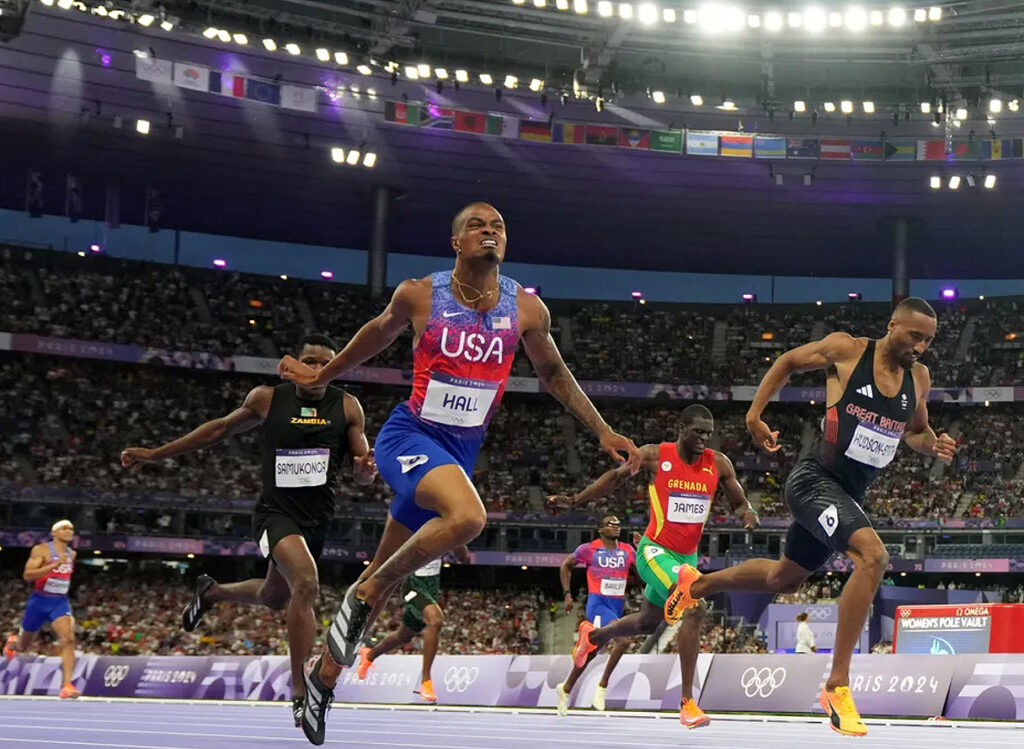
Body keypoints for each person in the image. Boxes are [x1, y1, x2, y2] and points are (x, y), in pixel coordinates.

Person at [279, 202, 640, 745]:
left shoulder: (526, 308)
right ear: (456, 241)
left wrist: (602, 430)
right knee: (468, 518)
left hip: (460, 449)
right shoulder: (420, 294)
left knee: (382, 582)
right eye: (478, 225)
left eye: (499, 226)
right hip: (411, 436)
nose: (490, 231)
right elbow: (376, 334)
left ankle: (322, 681)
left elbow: (554, 373)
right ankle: (369, 587)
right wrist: (323, 375)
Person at [663, 298, 957, 737]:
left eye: (929, 340)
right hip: (813, 480)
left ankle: (697, 583)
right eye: (914, 335)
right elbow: (786, 362)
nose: (921, 346)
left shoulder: (919, 378)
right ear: (892, 325)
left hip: (847, 494)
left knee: (785, 579)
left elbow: (915, 431)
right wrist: (754, 415)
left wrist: (932, 445)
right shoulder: (847, 350)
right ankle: (837, 686)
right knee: (873, 557)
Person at [120, 334, 377, 729]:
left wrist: (362, 472)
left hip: (317, 521)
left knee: (275, 596)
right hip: (275, 514)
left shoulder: (347, 406)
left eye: (325, 362)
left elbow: (362, 465)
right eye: (308, 359)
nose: (315, 368)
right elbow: (218, 430)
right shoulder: (268, 398)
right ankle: (300, 692)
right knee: (306, 585)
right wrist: (156, 454)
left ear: (337, 366)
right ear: (292, 364)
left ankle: (211, 592)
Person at [550, 405, 758, 730]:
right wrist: (576, 500)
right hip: (654, 552)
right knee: (695, 607)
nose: (704, 438)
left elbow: (737, 498)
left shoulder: (718, 463)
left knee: (647, 623)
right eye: (698, 431)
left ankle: (594, 637)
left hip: (686, 558)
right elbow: (615, 479)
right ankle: (688, 703)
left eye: (708, 432)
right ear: (681, 428)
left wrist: (747, 512)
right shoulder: (652, 456)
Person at [355, 545, 471, 702]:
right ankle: (426, 681)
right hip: (413, 586)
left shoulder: (447, 531)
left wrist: (459, 539)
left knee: (403, 636)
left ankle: (369, 655)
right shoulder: (416, 529)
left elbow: (464, 559)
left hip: (431, 590)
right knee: (435, 620)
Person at [554, 515, 636, 715]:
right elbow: (565, 565)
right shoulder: (588, 549)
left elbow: (642, 573)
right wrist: (567, 595)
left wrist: (642, 551)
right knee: (624, 641)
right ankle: (602, 687)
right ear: (600, 529)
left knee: (591, 653)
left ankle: (565, 688)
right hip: (597, 605)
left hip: (616, 605)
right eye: (610, 524)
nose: (616, 527)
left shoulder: (627, 550)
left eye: (618, 524)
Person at [3, 519, 81, 699]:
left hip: (59, 602)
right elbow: (27, 575)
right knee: (24, 645)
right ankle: (14, 642)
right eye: (64, 528)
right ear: (54, 533)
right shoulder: (41, 550)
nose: (69, 531)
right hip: (39, 601)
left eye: (71, 529)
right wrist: (52, 566)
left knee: (68, 639)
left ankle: (67, 686)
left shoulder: (72, 554)